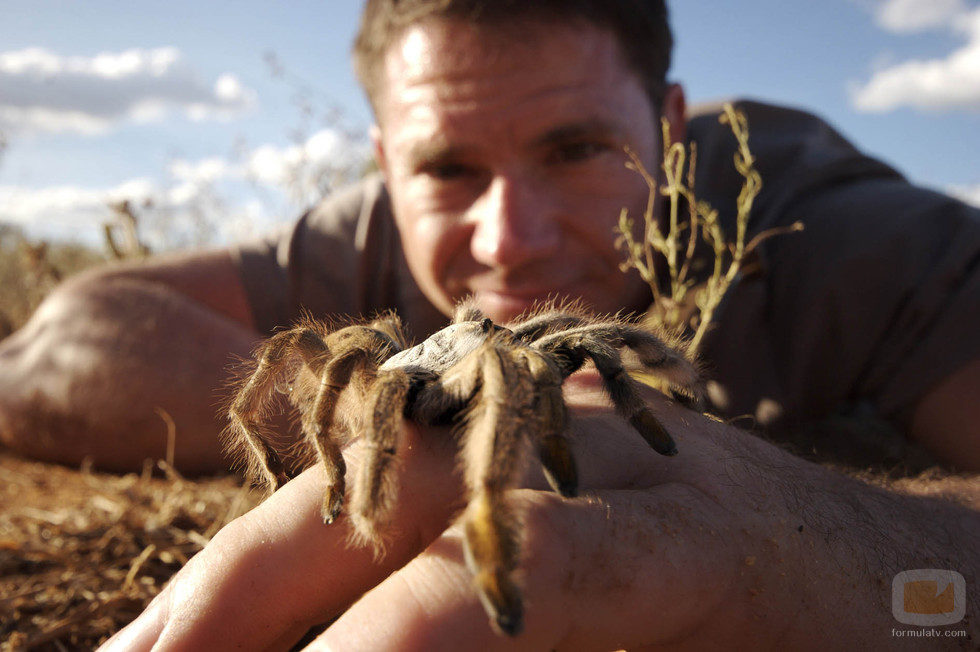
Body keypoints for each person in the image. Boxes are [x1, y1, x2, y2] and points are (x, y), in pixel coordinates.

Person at [0, 0, 976, 648]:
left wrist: (794, 521)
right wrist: (361, 437)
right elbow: (56, 345)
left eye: (575, 148)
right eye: (446, 167)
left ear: (668, 132)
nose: (507, 242)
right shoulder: (374, 232)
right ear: (387, 161)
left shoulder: (852, 239)